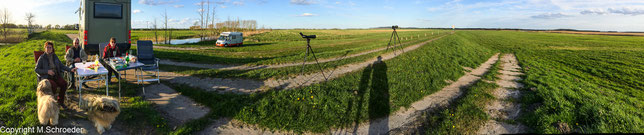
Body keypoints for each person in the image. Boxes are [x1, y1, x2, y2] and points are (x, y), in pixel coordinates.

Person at [35, 41, 78, 109]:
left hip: (56, 75)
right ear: (45, 48)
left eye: (50, 47)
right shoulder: (42, 58)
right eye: (47, 47)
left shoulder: (54, 56)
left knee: (64, 84)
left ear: (52, 49)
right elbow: (36, 69)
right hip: (47, 78)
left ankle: (60, 102)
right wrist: (47, 71)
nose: (49, 49)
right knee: (53, 86)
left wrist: (70, 69)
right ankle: (51, 104)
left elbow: (61, 66)